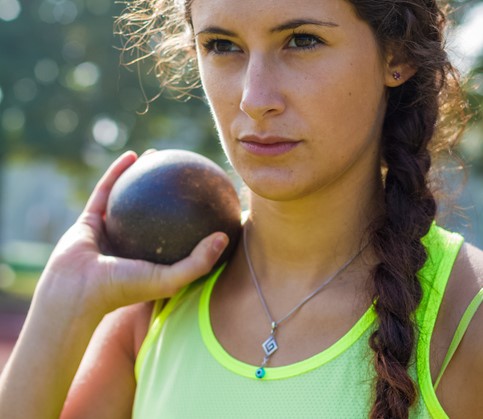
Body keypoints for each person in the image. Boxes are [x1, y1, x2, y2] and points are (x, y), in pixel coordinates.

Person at [1, 0, 482, 417]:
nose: (254, 100)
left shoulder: (467, 320)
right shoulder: (155, 298)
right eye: (222, 45)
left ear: (395, 54)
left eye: (302, 39)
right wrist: (62, 298)